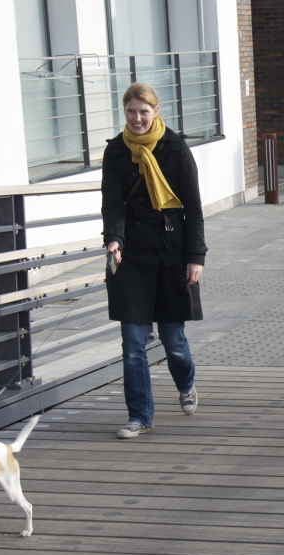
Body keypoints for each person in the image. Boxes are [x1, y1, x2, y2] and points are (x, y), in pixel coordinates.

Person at [102, 83, 207, 439]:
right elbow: (112, 203)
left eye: (143, 112)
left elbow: (193, 207)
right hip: (131, 256)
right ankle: (140, 416)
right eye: (131, 111)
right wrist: (113, 239)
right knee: (132, 343)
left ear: (156, 111)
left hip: (171, 252)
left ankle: (186, 383)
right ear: (124, 112)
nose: (137, 118)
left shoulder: (175, 147)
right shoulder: (116, 151)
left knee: (173, 340)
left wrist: (195, 257)